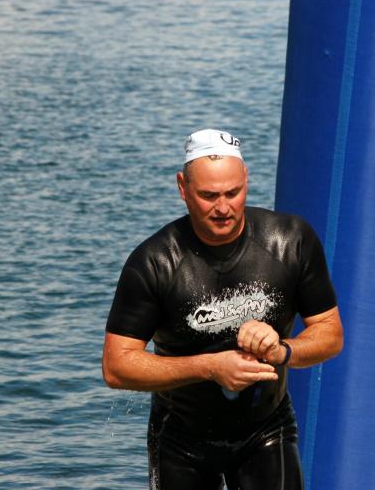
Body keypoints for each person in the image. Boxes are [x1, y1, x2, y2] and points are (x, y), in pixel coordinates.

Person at [102, 128, 343, 490]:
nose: (223, 208)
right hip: (180, 438)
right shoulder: (155, 261)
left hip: (266, 429)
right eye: (209, 195)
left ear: (246, 178)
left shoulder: (290, 241)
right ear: (183, 188)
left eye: (233, 192)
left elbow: (330, 333)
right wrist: (211, 367)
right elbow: (116, 366)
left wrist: (282, 350)